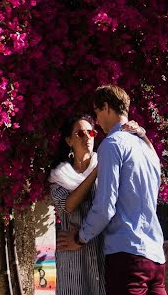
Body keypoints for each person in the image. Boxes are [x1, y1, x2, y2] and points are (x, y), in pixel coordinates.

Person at [57, 84, 166, 295]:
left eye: (97, 112)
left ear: (106, 107)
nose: (96, 121)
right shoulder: (148, 150)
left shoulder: (111, 144)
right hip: (156, 257)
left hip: (127, 257)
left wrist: (79, 237)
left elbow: (106, 206)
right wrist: (143, 135)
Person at [48, 114, 107, 295]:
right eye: (80, 134)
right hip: (74, 261)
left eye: (90, 132)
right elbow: (69, 205)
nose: (87, 137)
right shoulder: (59, 176)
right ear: (69, 141)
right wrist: (95, 172)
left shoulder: (106, 168)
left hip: (103, 253)